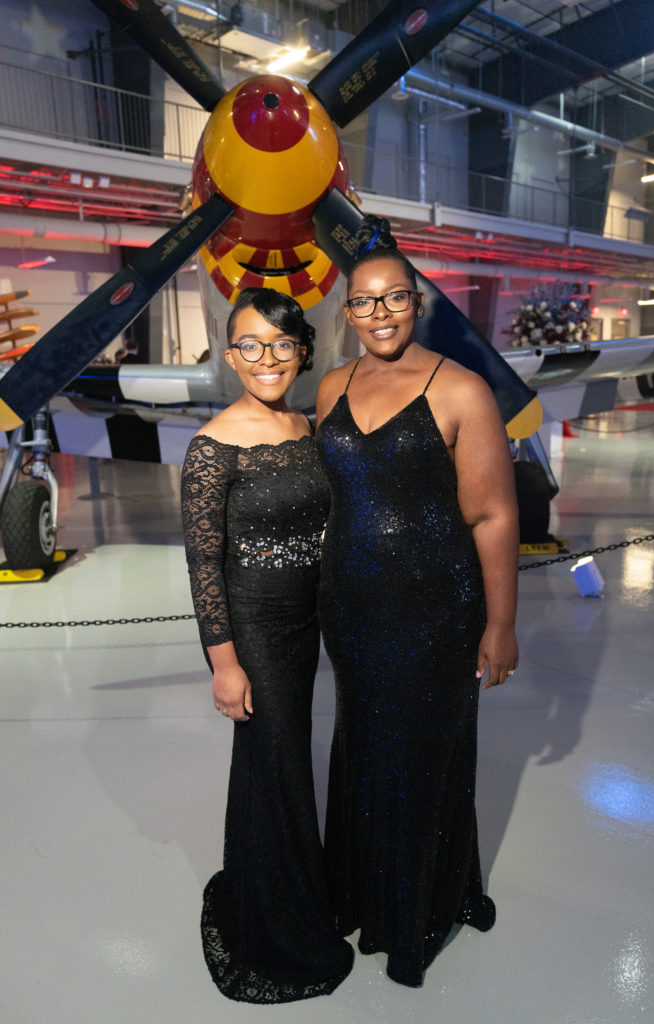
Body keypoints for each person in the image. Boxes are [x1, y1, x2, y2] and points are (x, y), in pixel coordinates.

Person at [315, 215, 519, 988]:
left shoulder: (460, 388)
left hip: (435, 611)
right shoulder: (332, 385)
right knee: (364, 748)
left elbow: (494, 516)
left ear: (418, 301)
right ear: (347, 314)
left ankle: (421, 906)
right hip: (352, 610)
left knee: (424, 757)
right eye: (364, 303)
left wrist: (500, 625)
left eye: (394, 298)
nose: (380, 314)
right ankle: (366, 890)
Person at [181, 287, 353, 1003]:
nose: (267, 359)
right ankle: (274, 928)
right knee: (274, 761)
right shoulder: (212, 447)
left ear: (303, 351)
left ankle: (289, 887)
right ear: (230, 356)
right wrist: (224, 663)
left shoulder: (305, 426)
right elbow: (203, 566)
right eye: (250, 345)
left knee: (281, 764)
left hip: (306, 623)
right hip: (252, 625)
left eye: (282, 344)